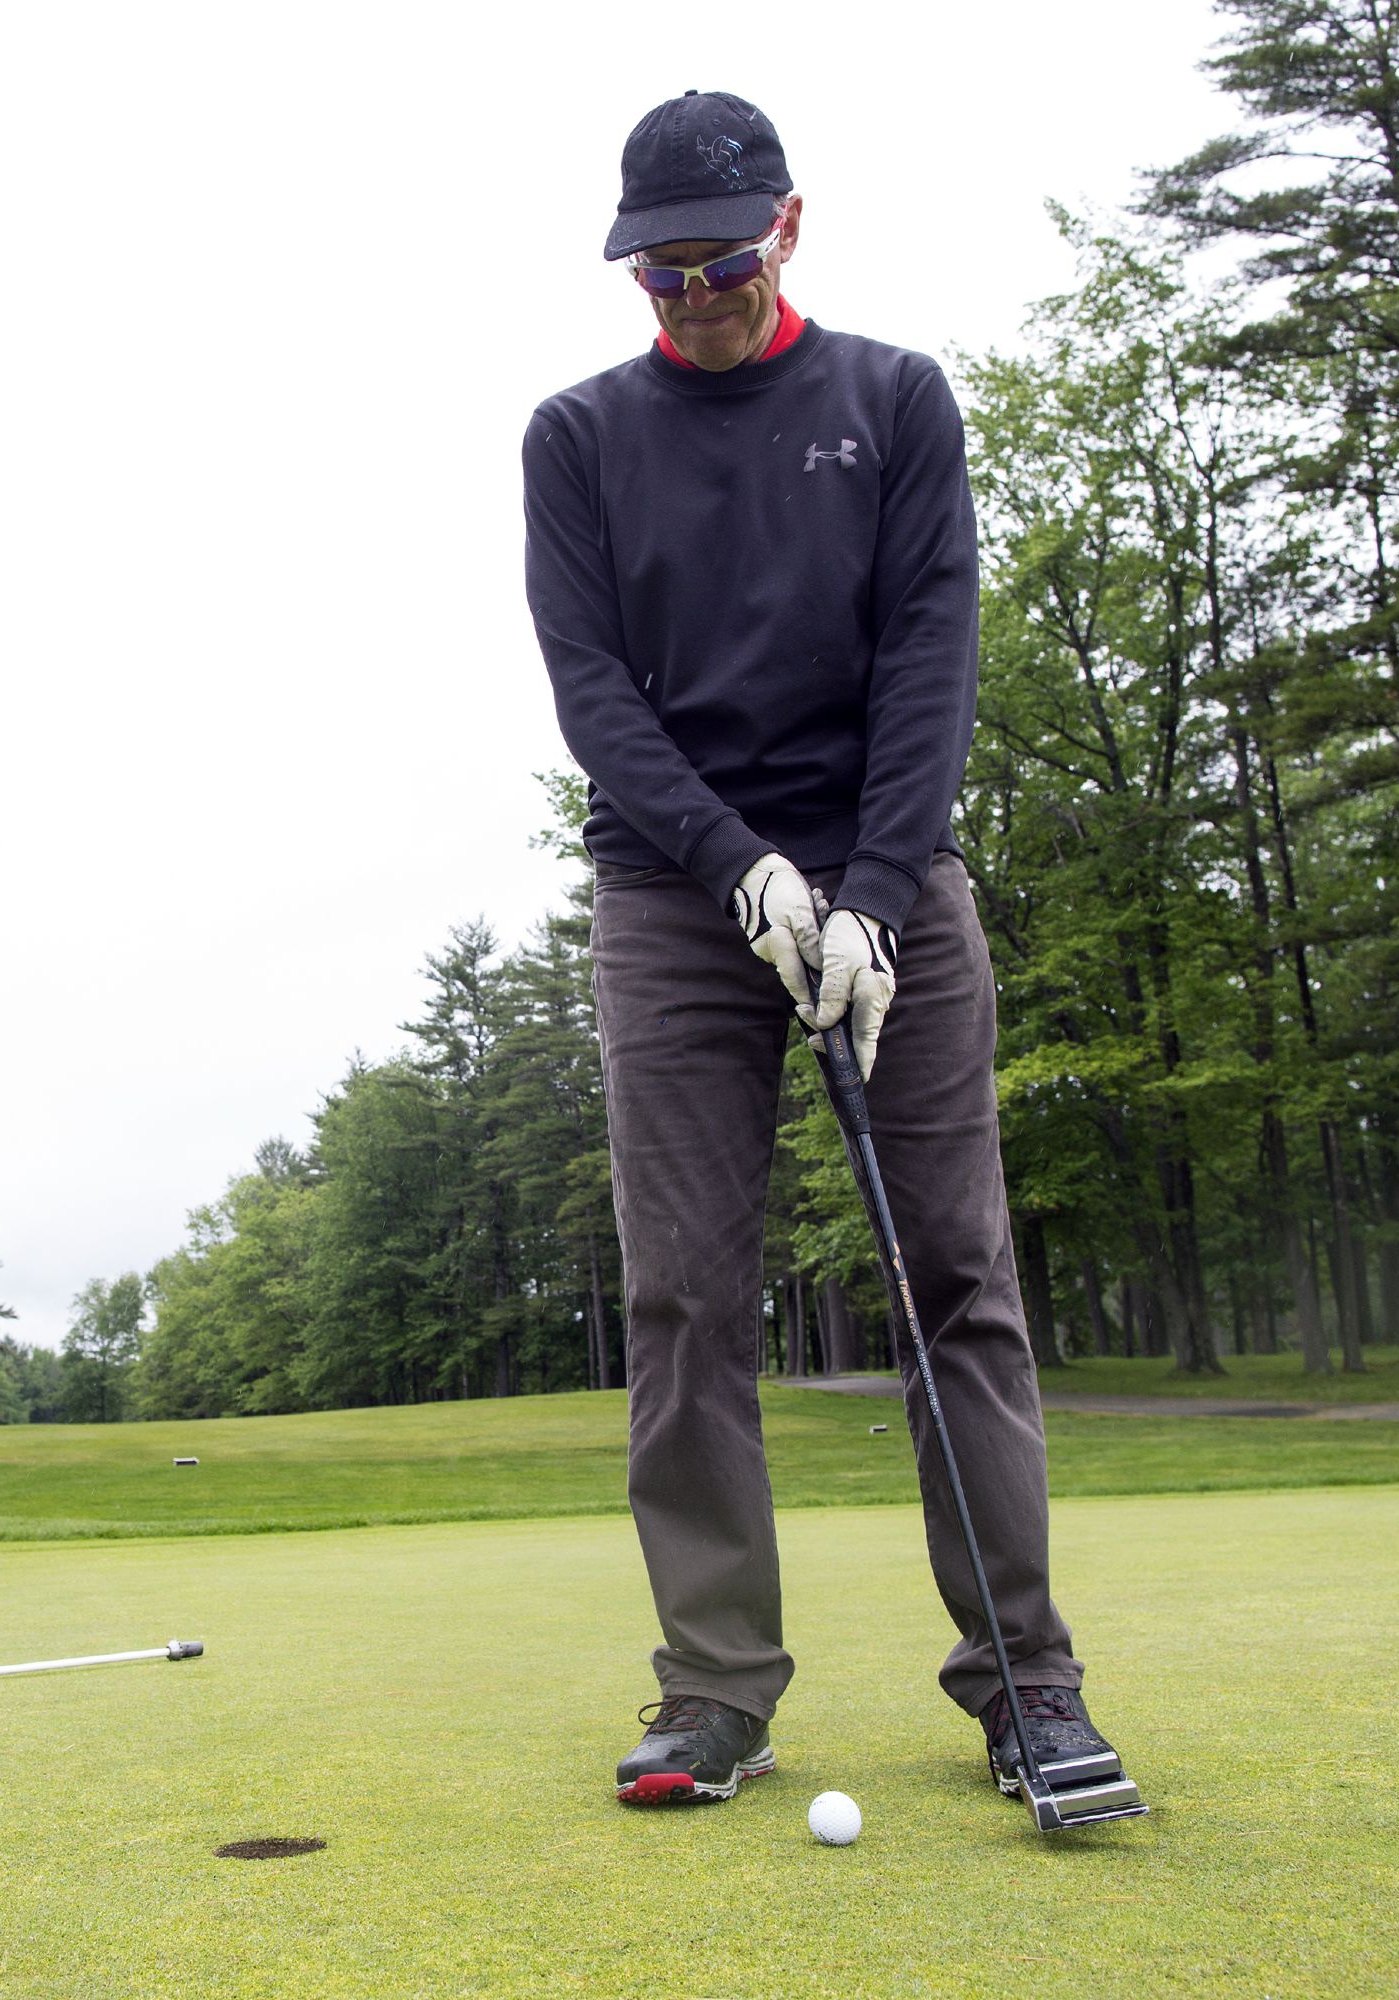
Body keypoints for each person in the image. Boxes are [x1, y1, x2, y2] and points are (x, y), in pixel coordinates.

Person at [522, 89, 1128, 1810]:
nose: (693, 298)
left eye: (719, 262)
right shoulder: (576, 438)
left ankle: (1028, 1684)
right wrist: (737, 868)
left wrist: (869, 890)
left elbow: (930, 661)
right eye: (658, 275)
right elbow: (596, 700)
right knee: (687, 1298)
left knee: (960, 1281)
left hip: (891, 881)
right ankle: (715, 1689)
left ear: (789, 226)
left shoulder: (893, 401)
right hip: (673, 893)